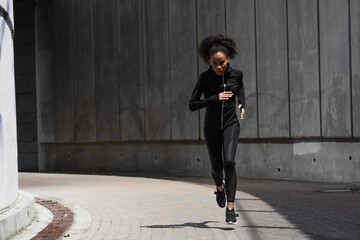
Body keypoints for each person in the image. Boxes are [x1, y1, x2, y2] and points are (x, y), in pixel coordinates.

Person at [189, 34, 245, 224]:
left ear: (228, 59)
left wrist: (242, 104)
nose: (219, 67)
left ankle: (230, 208)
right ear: (209, 61)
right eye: (214, 63)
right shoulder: (205, 78)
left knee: (229, 162)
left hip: (231, 125)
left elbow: (240, 90)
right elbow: (192, 104)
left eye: (221, 62)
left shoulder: (236, 75)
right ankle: (219, 189)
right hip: (211, 128)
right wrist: (214, 98)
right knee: (217, 169)